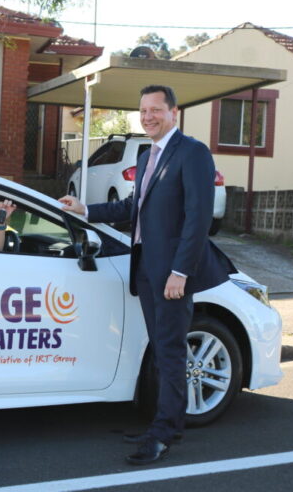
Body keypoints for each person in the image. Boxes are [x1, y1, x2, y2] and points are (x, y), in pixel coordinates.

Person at [59, 85, 228, 465]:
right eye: (143, 110)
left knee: (169, 352)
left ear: (174, 112)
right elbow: (133, 206)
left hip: (171, 272)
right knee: (161, 350)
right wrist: (85, 209)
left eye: (155, 110)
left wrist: (180, 271)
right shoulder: (153, 154)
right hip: (147, 268)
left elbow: (198, 218)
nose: (148, 116)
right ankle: (166, 423)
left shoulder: (193, 152)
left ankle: (164, 433)